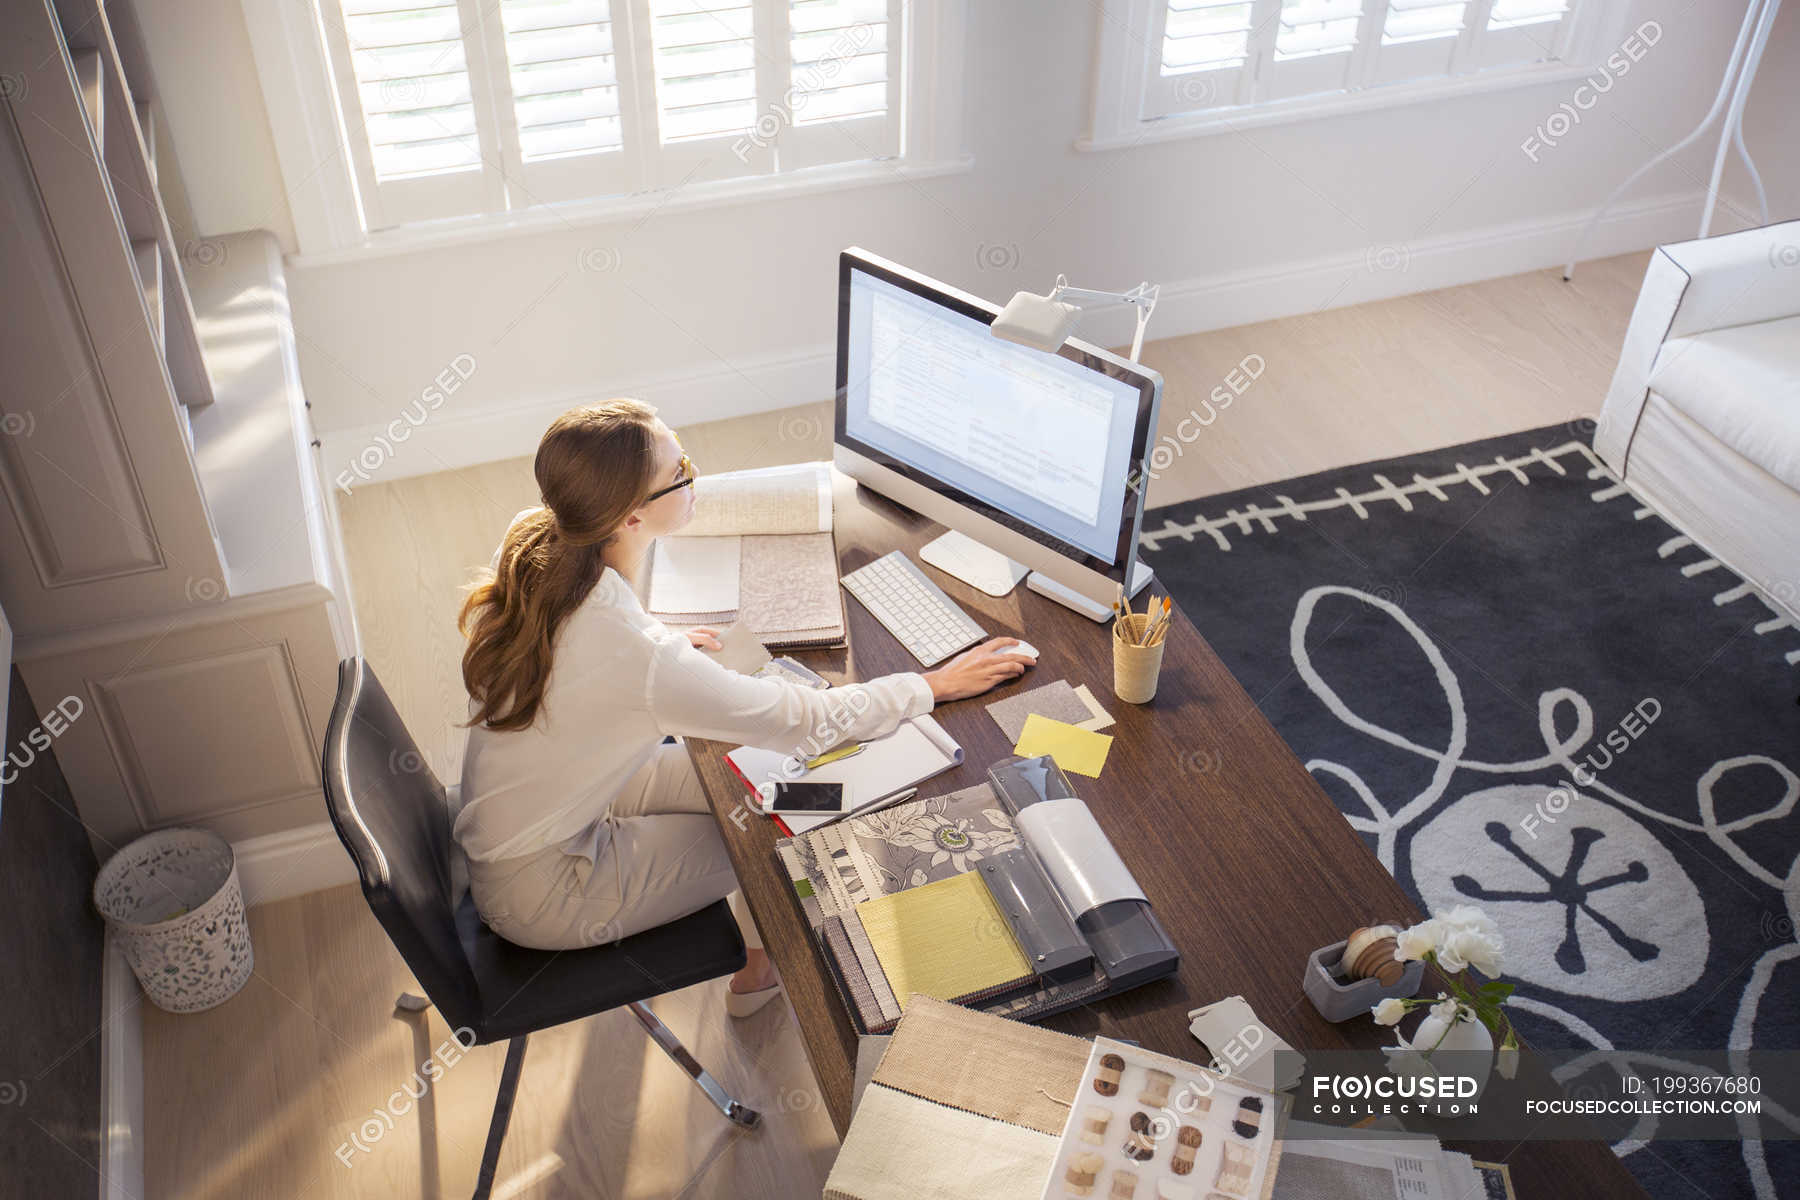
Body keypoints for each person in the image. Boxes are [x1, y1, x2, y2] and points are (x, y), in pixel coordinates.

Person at [454, 400, 1032, 1016]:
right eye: (682, 472)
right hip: (543, 890)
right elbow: (806, 722)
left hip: (559, 806)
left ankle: (768, 949)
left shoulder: (541, 541)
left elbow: (592, 668)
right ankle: (762, 975)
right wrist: (934, 686)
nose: (695, 478)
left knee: (761, 788)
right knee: (770, 839)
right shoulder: (638, 658)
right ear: (630, 516)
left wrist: (663, 654)